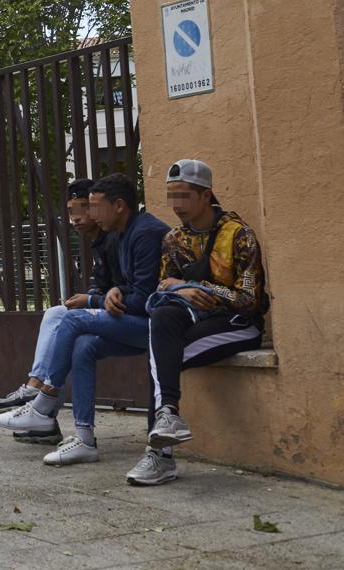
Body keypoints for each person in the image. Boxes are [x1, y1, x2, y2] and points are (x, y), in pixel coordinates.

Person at [0, 173, 170, 466]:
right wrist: (114, 292)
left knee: (72, 320)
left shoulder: (144, 233)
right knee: (84, 345)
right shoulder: (125, 233)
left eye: (94, 206)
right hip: (137, 322)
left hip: (157, 327)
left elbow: (146, 298)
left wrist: (97, 300)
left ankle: (44, 402)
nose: (89, 214)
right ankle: (84, 439)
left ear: (119, 206)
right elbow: (127, 285)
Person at [126, 160, 269, 486]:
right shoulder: (174, 239)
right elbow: (163, 287)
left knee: (161, 365)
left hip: (238, 324)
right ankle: (169, 419)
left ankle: (159, 455)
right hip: (194, 319)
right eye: (171, 196)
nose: (176, 206)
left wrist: (200, 288)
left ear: (206, 195)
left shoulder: (239, 235)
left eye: (184, 196)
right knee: (162, 317)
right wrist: (181, 288)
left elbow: (248, 300)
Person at [0, 178, 118, 445]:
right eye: (71, 211)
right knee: (66, 331)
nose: (76, 217)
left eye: (83, 208)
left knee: (59, 318)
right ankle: (43, 417)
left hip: (127, 315)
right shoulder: (100, 243)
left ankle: (36, 391)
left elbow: (123, 289)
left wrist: (91, 300)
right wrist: (90, 297)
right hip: (111, 312)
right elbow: (103, 285)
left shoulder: (114, 239)